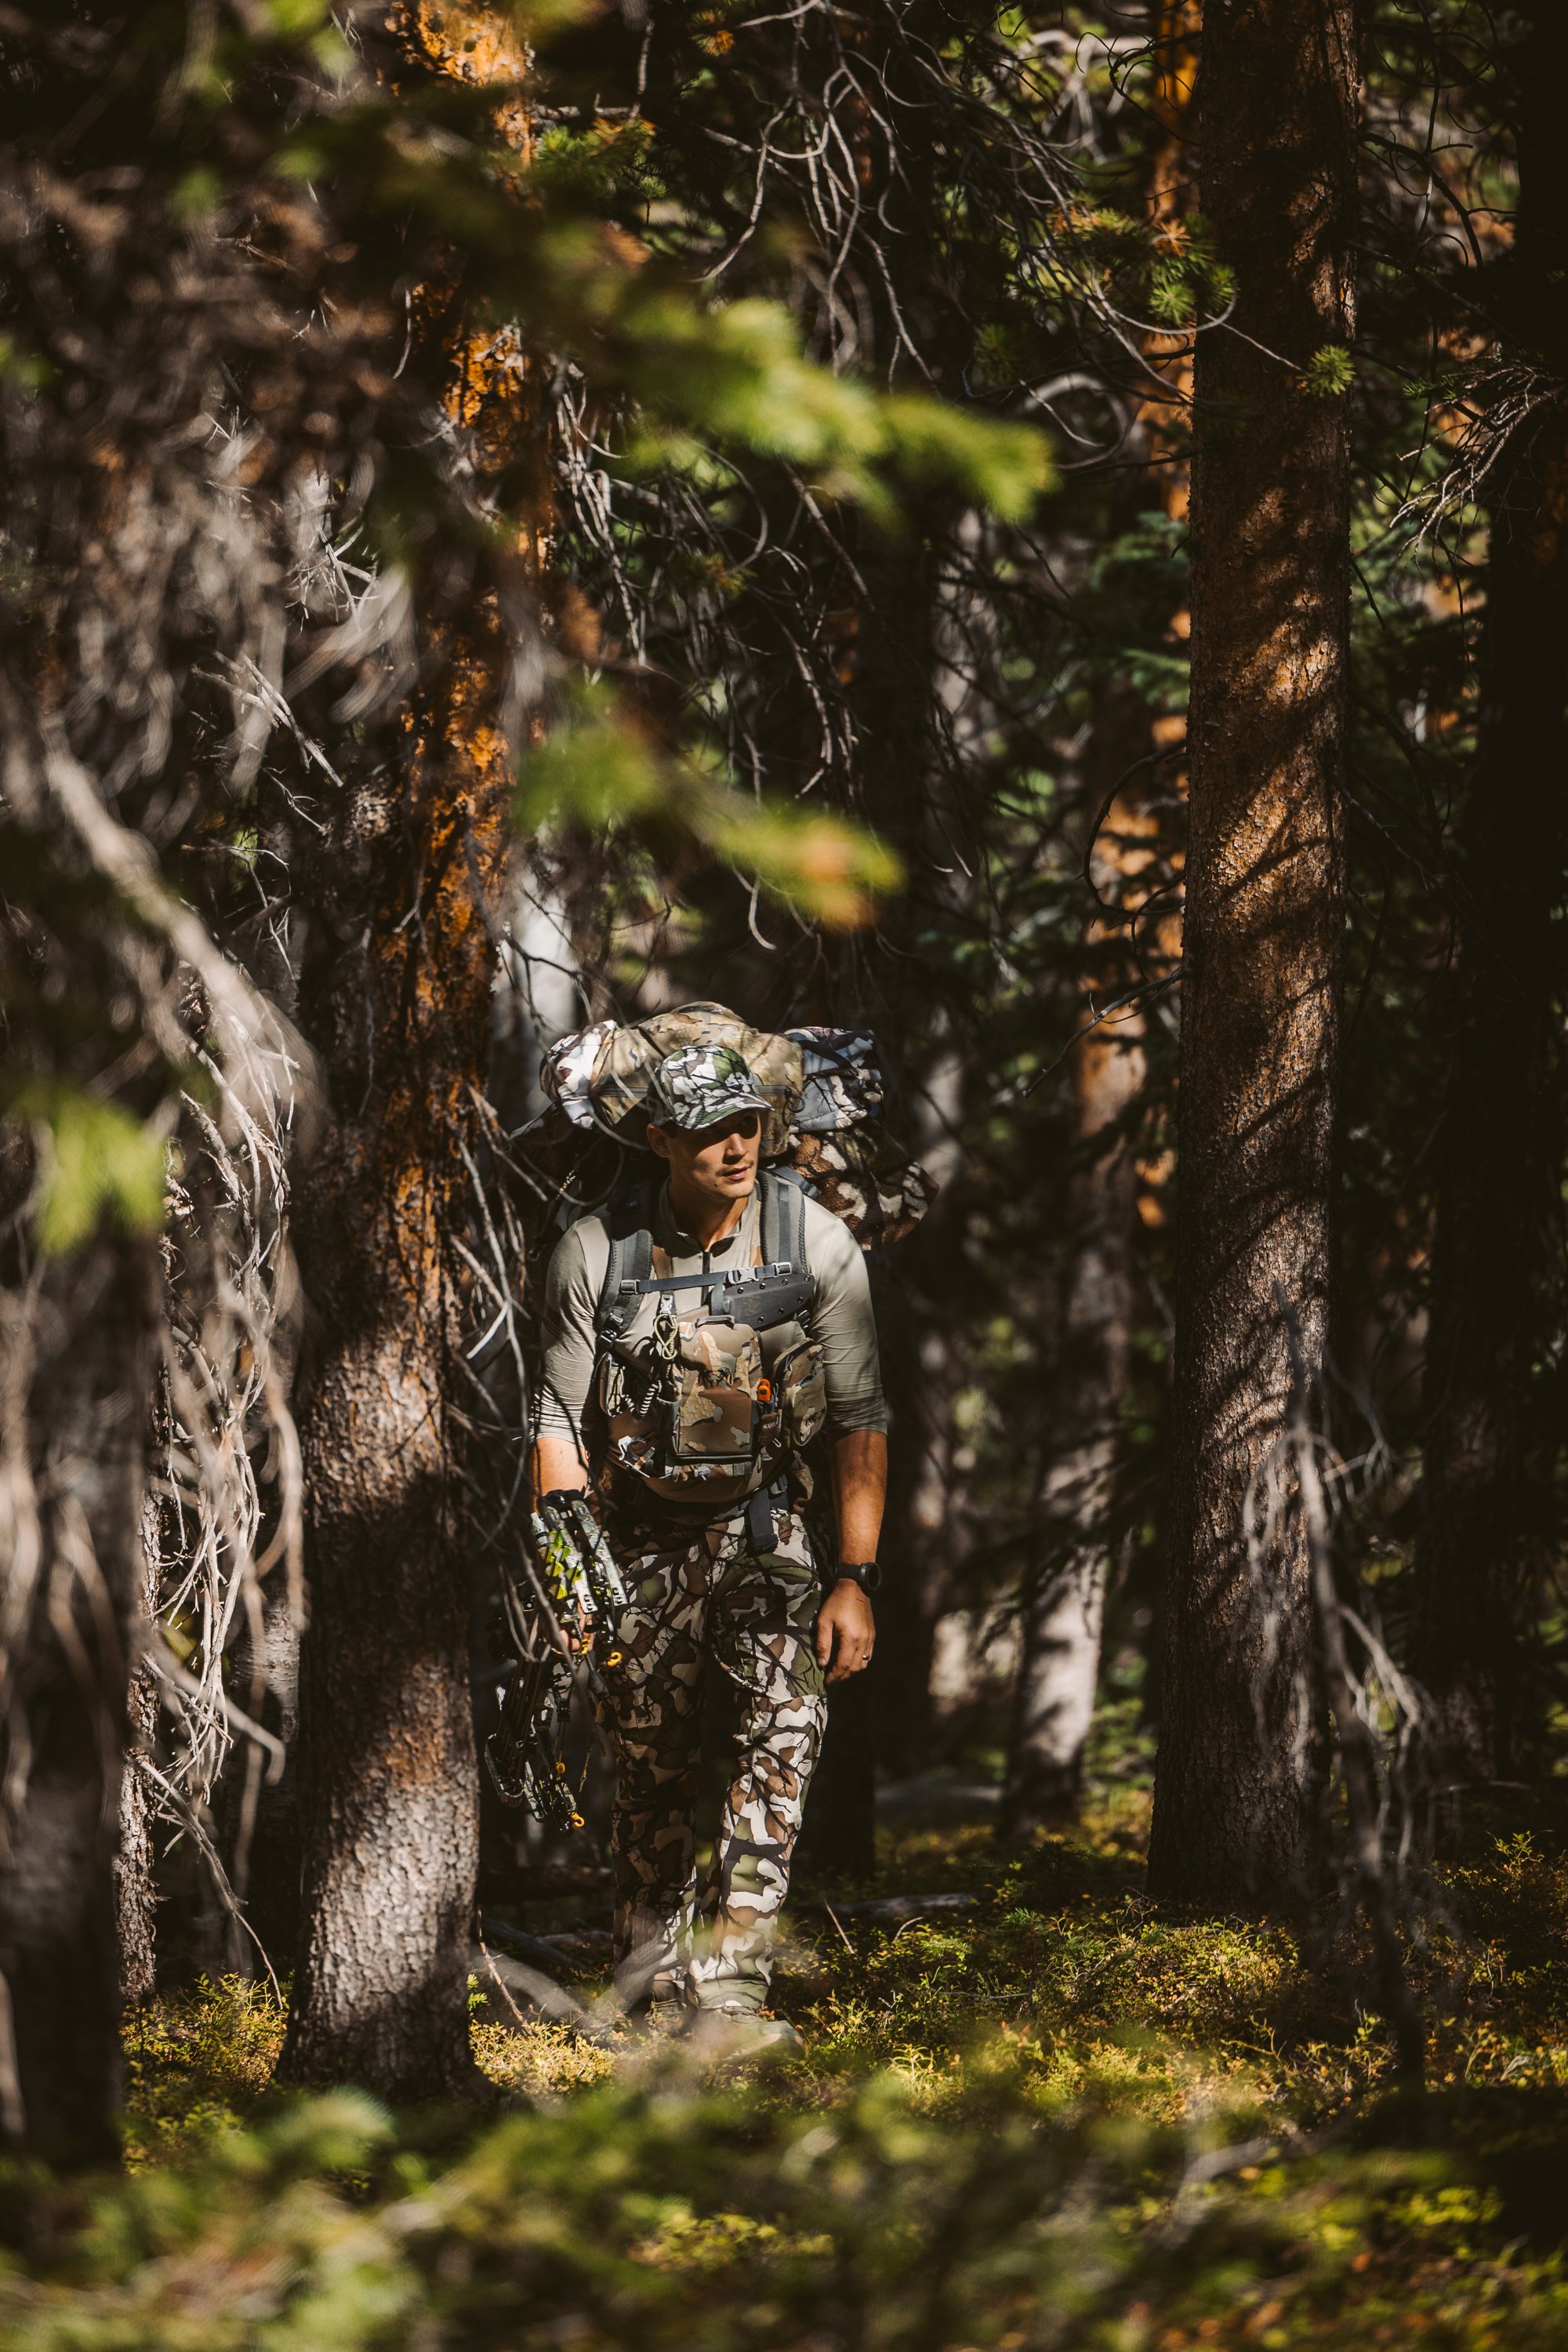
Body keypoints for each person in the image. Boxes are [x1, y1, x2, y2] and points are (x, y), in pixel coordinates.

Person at [535, 1041, 887, 2051]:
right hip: (637, 1539)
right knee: (648, 1766)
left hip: (770, 1528)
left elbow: (861, 1414)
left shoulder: (814, 1241)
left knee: (781, 1739)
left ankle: (731, 1993)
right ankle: (642, 1983)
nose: (735, 1149)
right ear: (658, 1141)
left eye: (747, 1127)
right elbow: (555, 1421)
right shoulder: (595, 1251)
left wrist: (854, 1579)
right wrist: (573, 1580)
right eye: (706, 1133)